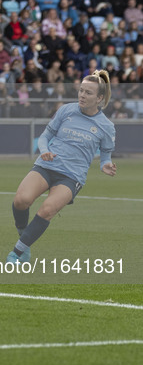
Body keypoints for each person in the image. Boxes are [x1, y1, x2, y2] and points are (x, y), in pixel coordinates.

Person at [7, 70, 116, 263]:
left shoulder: (106, 126)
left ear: (99, 98)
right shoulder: (66, 110)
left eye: (88, 93)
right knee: (21, 201)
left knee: (47, 210)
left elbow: (106, 154)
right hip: (47, 164)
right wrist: (43, 150)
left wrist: (105, 165)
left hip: (71, 177)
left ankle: (17, 252)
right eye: (81, 90)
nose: (82, 95)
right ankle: (24, 235)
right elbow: (45, 136)